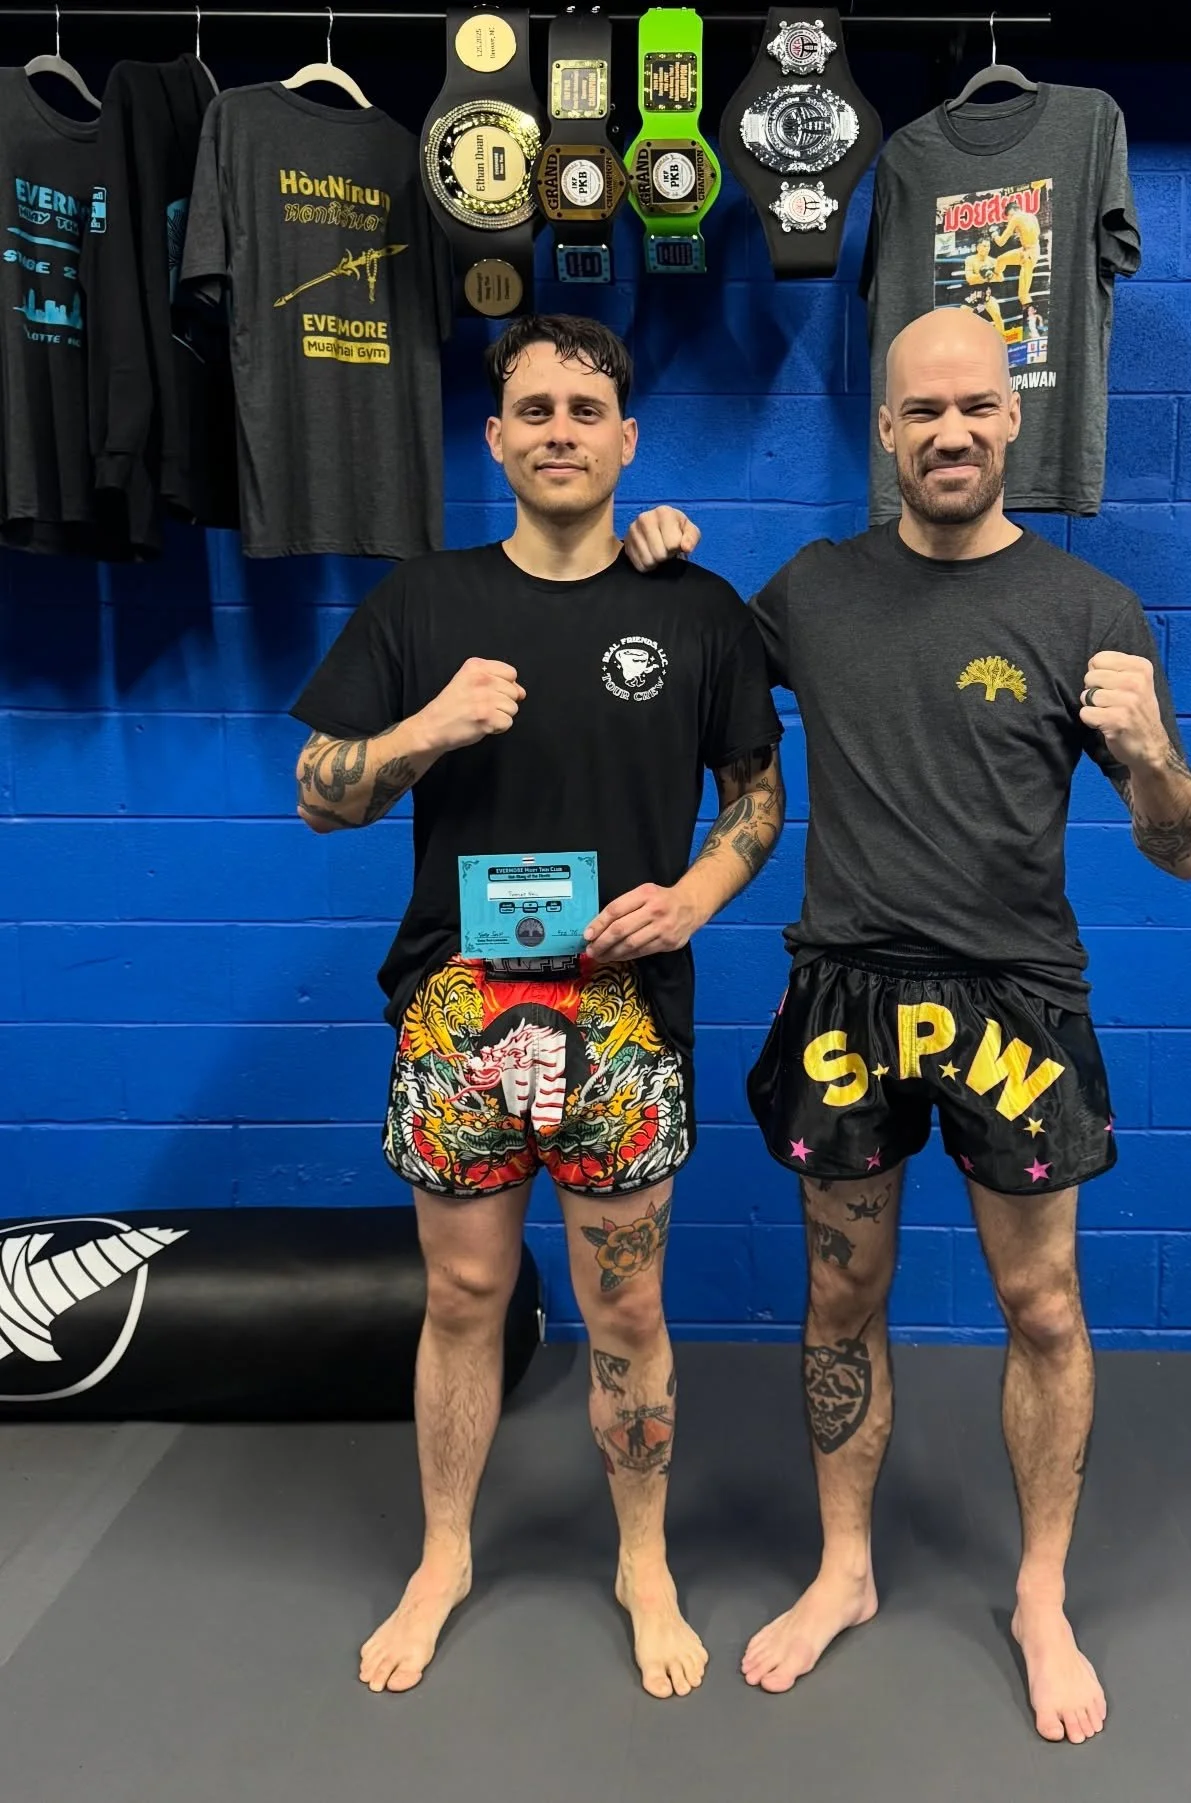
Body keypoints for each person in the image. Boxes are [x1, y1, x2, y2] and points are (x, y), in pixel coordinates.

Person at [623, 305, 1191, 1745]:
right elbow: (690, 666)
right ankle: (846, 1567)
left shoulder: (1089, 610)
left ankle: (1040, 1593)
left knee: (1043, 1304)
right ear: (886, 430)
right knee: (843, 1298)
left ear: (1013, 418)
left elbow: (1184, 847)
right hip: (849, 992)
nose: (951, 432)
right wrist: (658, 560)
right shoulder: (813, 591)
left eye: (975, 407)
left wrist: (1150, 756)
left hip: (1017, 997)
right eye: (921, 411)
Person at [290, 314, 785, 1699]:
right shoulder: (421, 604)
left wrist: (693, 899)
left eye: (585, 409)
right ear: (496, 438)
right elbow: (320, 792)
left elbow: (758, 796)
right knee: (463, 1293)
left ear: (626, 440)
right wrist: (424, 728)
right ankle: (445, 1553)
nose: (559, 429)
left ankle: (645, 1560)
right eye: (533, 408)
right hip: (458, 1008)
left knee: (627, 1308)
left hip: (623, 1010)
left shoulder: (697, 607)